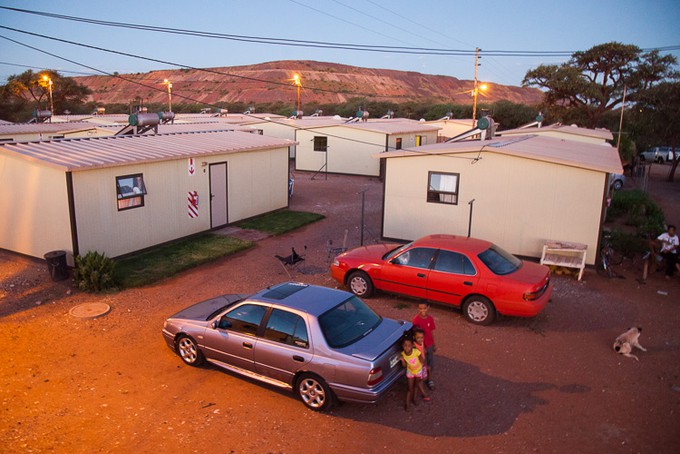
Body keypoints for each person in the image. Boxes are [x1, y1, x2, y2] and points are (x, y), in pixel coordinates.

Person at [399, 336, 430, 410]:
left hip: (418, 371)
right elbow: (405, 365)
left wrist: (424, 367)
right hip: (410, 372)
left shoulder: (416, 352)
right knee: (410, 388)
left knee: (416, 386)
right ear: (403, 346)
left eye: (409, 346)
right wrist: (403, 361)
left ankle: (414, 399)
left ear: (412, 346)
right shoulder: (403, 354)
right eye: (405, 346)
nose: (407, 348)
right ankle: (407, 404)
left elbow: (422, 360)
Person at [412, 302, 436, 389]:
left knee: (430, 363)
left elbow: (431, 331)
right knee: (421, 363)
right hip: (420, 345)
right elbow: (414, 334)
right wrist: (421, 347)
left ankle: (429, 380)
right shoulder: (416, 320)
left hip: (429, 344)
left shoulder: (430, 318)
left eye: (424, 308)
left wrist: (434, 343)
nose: (422, 310)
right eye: (420, 308)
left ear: (428, 308)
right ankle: (420, 380)